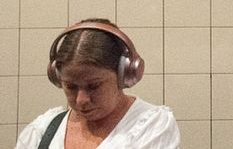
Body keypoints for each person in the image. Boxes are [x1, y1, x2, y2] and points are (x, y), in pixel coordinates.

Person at [15, 18, 180, 149]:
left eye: (93, 86)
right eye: (71, 86)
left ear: (124, 75)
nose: (81, 100)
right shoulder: (44, 129)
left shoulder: (152, 125)